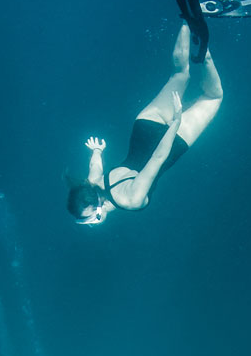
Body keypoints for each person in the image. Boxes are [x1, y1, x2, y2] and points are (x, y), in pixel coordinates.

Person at [67, 23, 223, 225]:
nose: (88, 224)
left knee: (213, 97)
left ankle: (206, 55)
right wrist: (97, 149)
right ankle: (187, 21)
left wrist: (176, 121)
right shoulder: (93, 184)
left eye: (86, 220)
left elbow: (157, 159)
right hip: (144, 128)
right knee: (179, 73)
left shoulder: (132, 199)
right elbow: (95, 165)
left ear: (96, 211)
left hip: (172, 142)